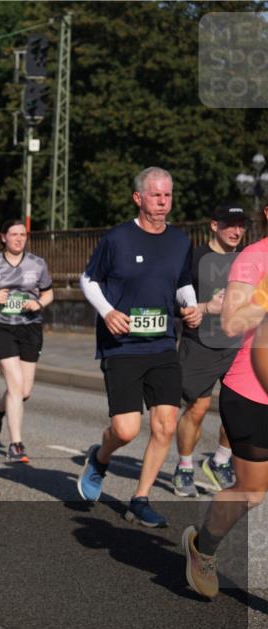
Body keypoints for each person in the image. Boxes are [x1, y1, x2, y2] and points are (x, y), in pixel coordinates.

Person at [77, 167, 201, 528]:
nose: (163, 202)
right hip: (122, 345)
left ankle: (141, 498)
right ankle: (100, 458)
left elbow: (182, 283)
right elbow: (89, 280)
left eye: (168, 195)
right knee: (127, 430)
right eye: (156, 195)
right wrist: (108, 311)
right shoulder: (117, 239)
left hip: (162, 344)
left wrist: (190, 305)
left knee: (165, 425)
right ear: (139, 198)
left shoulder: (179, 242)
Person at [181, 230, 268, 599]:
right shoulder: (253, 258)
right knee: (251, 493)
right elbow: (232, 322)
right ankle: (203, 548)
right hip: (253, 393)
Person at [172, 203, 248, 497]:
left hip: (237, 344)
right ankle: (185, 466)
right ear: (214, 225)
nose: (237, 231)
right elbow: (175, 299)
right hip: (199, 343)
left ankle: (219, 461)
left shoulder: (245, 259)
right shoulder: (193, 257)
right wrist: (204, 307)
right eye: (230, 224)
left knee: (240, 410)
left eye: (241, 225)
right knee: (198, 408)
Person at [0, 220, 54, 463]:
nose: (19, 239)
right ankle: (16, 444)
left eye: (23, 234)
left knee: (24, 391)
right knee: (15, 385)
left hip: (30, 327)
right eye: (14, 234)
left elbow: (49, 291)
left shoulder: (37, 263)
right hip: (1, 327)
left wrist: (39, 303)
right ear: (4, 237)